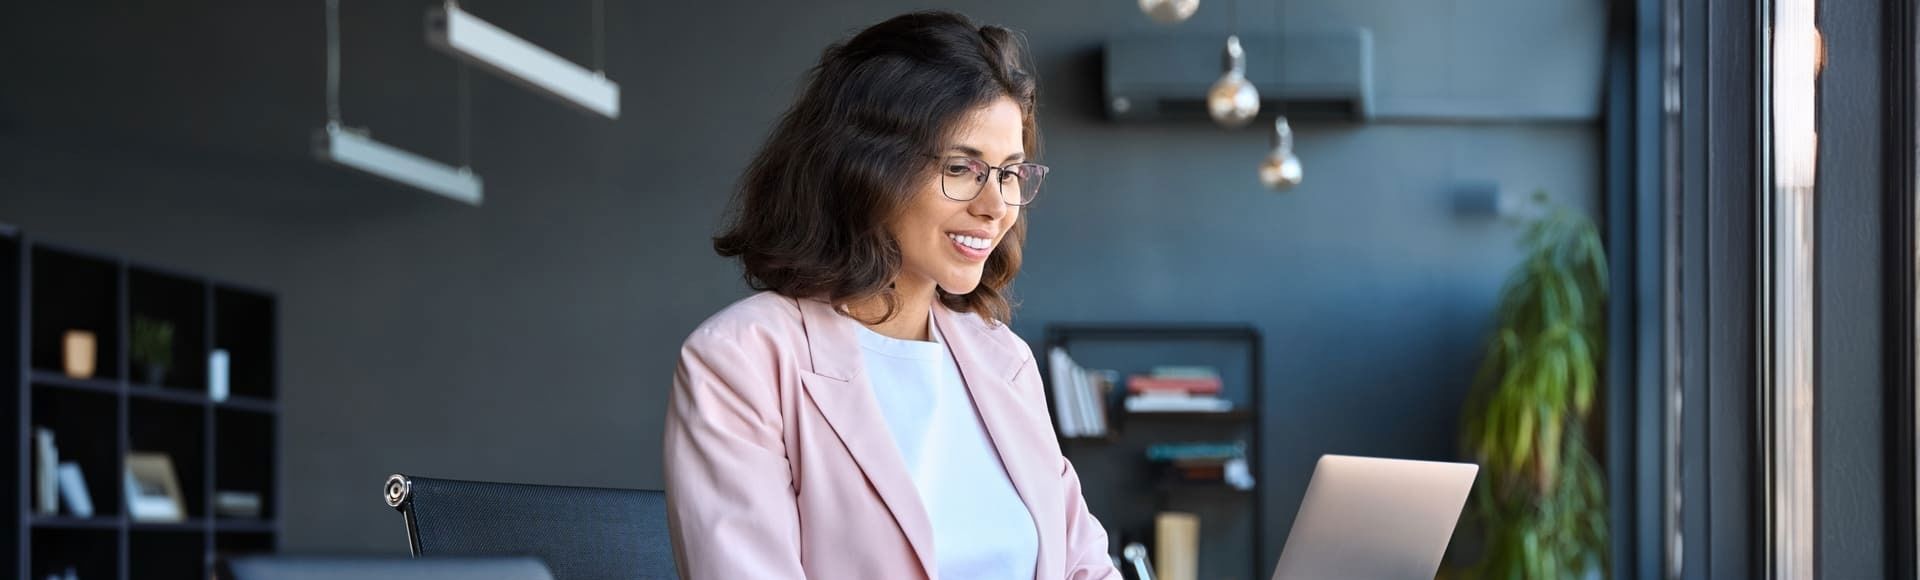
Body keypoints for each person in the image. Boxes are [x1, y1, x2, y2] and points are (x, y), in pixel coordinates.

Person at [662, 10, 1119, 580]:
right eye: (961, 167)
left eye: (1008, 172)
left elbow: (1083, 566)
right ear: (866, 168)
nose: (996, 205)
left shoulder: (1005, 361)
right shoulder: (741, 359)